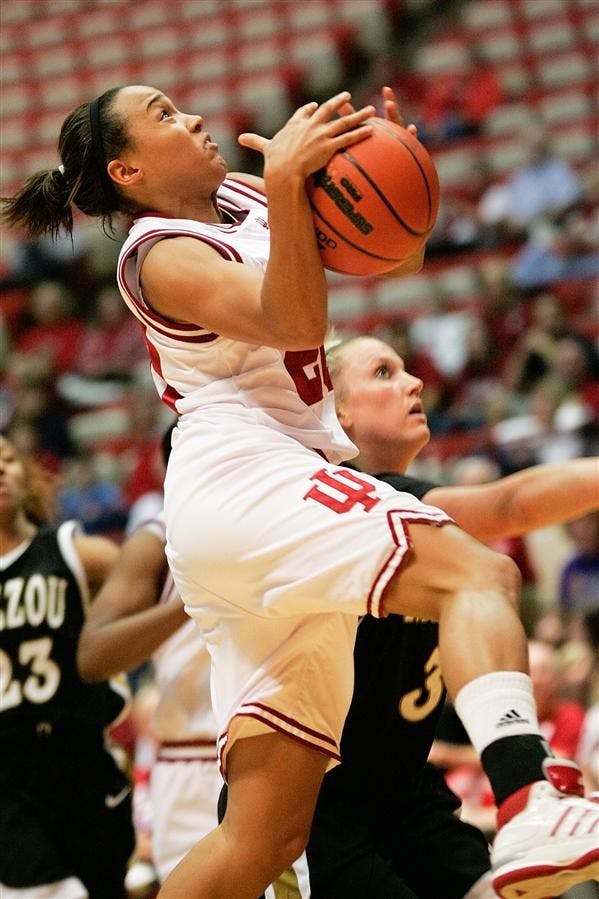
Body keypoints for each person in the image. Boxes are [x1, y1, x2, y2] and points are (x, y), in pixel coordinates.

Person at [2, 84, 599, 899]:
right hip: (242, 477)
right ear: (128, 167)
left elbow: (397, 255)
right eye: (165, 115)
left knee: (262, 835)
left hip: (272, 496)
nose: (197, 119)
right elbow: (291, 321)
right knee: (477, 571)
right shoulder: (157, 252)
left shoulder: (243, 196)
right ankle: (532, 798)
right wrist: (287, 182)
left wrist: (391, 172)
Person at [0, 434, 135, 898]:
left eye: (10, 460)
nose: (2, 470)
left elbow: (146, 578)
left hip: (81, 757)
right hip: (8, 773)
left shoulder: (68, 550)